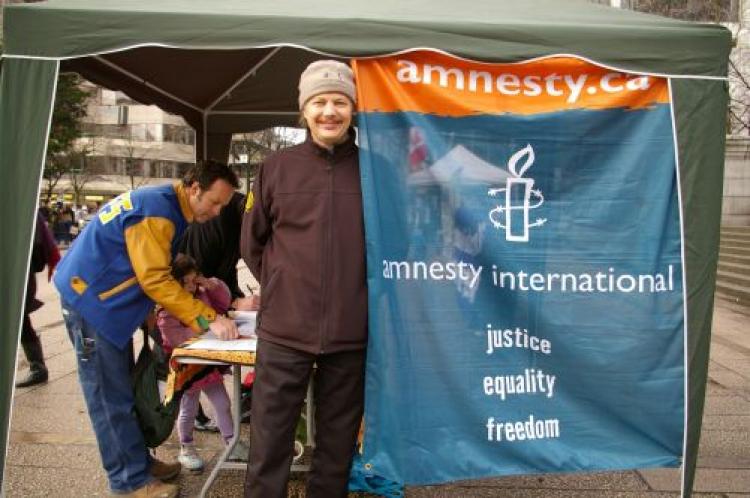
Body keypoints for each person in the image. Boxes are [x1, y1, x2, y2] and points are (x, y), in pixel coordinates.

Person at [53, 161, 241, 498]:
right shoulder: (158, 211)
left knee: (124, 390)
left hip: (105, 303)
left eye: (223, 207)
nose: (216, 212)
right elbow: (154, 278)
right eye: (214, 202)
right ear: (195, 187)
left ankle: (137, 460)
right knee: (109, 398)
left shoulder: (165, 205)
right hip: (91, 304)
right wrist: (208, 317)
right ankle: (129, 481)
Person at [241, 60, 368, 498]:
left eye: (339, 101)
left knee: (336, 447)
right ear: (304, 110)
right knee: (269, 443)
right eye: (319, 102)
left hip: (353, 330)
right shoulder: (275, 168)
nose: (329, 111)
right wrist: (282, 285)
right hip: (284, 330)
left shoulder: (374, 171)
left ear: (353, 108)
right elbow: (253, 242)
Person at [156, 255, 235, 471]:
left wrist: (212, 285)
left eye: (195, 280)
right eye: (187, 281)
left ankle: (232, 443)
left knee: (223, 404)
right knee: (188, 408)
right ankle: (186, 448)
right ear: (175, 283)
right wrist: (206, 325)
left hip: (207, 366)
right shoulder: (167, 310)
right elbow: (175, 337)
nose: (193, 286)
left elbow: (223, 302)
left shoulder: (202, 294)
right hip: (187, 369)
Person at [15, 211, 60, 388]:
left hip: (18, 269)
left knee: (19, 318)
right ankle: (37, 367)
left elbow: (42, 239)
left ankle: (38, 367)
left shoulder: (23, 204)